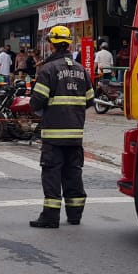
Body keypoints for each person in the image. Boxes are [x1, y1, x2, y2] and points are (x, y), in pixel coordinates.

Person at [27, 25, 93, 228]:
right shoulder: (81, 70)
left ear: (52, 44)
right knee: (73, 173)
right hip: (75, 134)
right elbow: (90, 100)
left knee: (52, 173)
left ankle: (50, 216)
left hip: (54, 135)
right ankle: (75, 215)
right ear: (69, 44)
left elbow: (37, 101)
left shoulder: (48, 69)